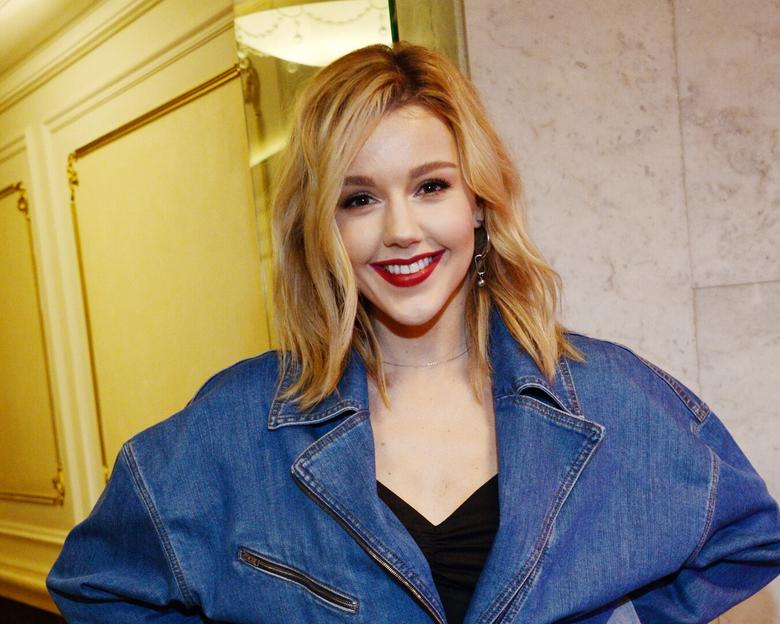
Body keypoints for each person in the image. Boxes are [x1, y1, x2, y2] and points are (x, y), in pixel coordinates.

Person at [47, 42, 780, 624]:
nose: (401, 230)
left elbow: (742, 546)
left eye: (431, 186)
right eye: (359, 199)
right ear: (321, 228)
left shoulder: (612, 399)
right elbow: (98, 583)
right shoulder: (232, 430)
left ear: (478, 203)